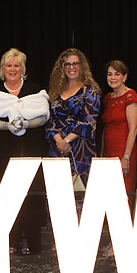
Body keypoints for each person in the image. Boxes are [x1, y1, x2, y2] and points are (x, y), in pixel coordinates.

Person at [0, 48, 50, 255]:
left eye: (16, 65)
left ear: (23, 68)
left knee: (31, 195)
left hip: (30, 148)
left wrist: (25, 124)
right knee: (6, 195)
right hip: (3, 151)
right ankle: (9, 241)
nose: (13, 69)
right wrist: (7, 126)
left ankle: (32, 241)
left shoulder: (34, 89)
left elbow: (44, 116)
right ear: (3, 69)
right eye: (9, 65)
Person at [45, 48, 101, 188]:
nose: (71, 67)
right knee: (57, 193)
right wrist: (59, 141)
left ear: (82, 66)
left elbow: (89, 121)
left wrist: (66, 141)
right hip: (57, 148)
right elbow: (49, 120)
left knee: (80, 193)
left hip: (80, 149)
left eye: (75, 63)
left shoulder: (90, 91)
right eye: (67, 64)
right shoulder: (55, 91)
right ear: (62, 68)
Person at [100, 60, 137, 193]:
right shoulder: (107, 98)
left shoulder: (130, 96)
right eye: (109, 74)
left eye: (117, 74)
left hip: (124, 152)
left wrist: (126, 157)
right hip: (108, 152)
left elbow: (133, 129)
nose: (112, 78)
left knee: (122, 192)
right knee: (108, 192)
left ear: (125, 77)